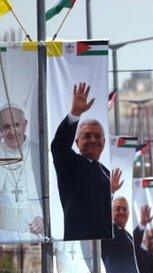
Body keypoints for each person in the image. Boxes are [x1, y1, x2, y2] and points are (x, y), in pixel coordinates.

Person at [51, 82, 122, 240]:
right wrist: (75, 114)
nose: (93, 140)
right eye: (87, 136)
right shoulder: (71, 163)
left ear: (104, 142)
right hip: (79, 245)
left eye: (97, 136)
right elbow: (58, 146)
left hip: (102, 247)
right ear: (77, 142)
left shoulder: (105, 172)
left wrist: (110, 192)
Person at [0, 104, 43, 243]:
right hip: (1, 238)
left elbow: (56, 195)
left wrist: (45, 218)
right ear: (0, 129)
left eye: (16, 125)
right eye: (6, 127)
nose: (12, 132)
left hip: (35, 237)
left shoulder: (41, 153)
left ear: (25, 125)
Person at [101, 196, 143, 273]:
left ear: (128, 213)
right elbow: (101, 218)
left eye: (124, 209)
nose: (121, 212)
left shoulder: (129, 237)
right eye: (118, 209)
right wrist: (111, 193)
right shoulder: (108, 232)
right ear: (111, 213)